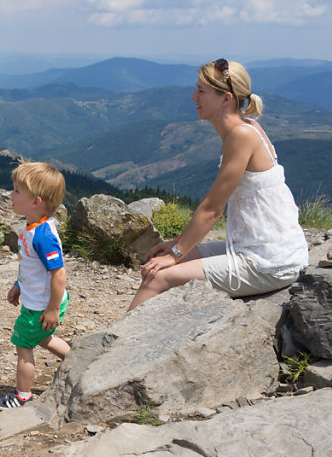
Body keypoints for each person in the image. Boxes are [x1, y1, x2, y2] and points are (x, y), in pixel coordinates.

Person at [127, 58, 309, 311]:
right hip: (256, 245)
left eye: (201, 91)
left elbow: (212, 209)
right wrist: (176, 246)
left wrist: (176, 253)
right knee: (161, 261)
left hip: (269, 261)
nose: (193, 97)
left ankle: (117, 346)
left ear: (226, 99)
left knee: (158, 275)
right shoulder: (247, 127)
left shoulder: (241, 136)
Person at [0, 162, 71, 410]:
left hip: (42, 306)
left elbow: (58, 274)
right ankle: (79, 362)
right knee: (43, 337)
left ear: (35, 202)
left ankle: (22, 396)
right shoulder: (32, 228)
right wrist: (18, 284)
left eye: (16, 191)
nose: (10, 195)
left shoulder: (43, 236)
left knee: (23, 343)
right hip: (40, 301)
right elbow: (30, 265)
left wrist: (52, 310)